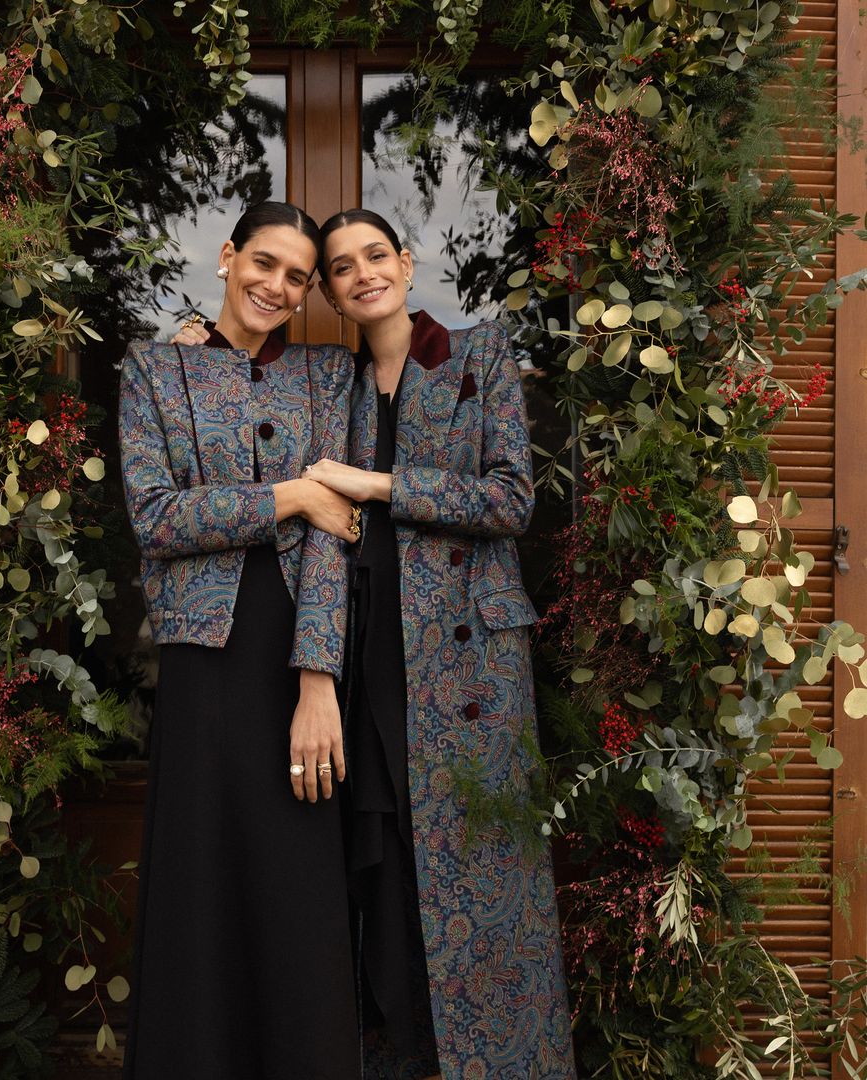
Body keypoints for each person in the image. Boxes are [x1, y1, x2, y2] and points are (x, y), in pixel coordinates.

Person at [305, 209, 577, 1079]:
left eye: (374, 256)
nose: (362, 275)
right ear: (332, 292)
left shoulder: (477, 355)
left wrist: (377, 483)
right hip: (370, 650)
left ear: (407, 263)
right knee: (381, 872)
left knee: (485, 873)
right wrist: (197, 341)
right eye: (341, 267)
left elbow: (510, 502)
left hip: (468, 662)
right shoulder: (329, 386)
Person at [118, 201, 361, 1079]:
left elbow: (342, 540)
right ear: (227, 257)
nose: (278, 287)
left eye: (298, 277)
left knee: (297, 895)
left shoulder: (329, 378)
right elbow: (155, 518)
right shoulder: (153, 372)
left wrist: (318, 681)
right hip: (200, 661)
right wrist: (291, 497)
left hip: (296, 656)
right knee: (200, 885)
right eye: (265, 264)